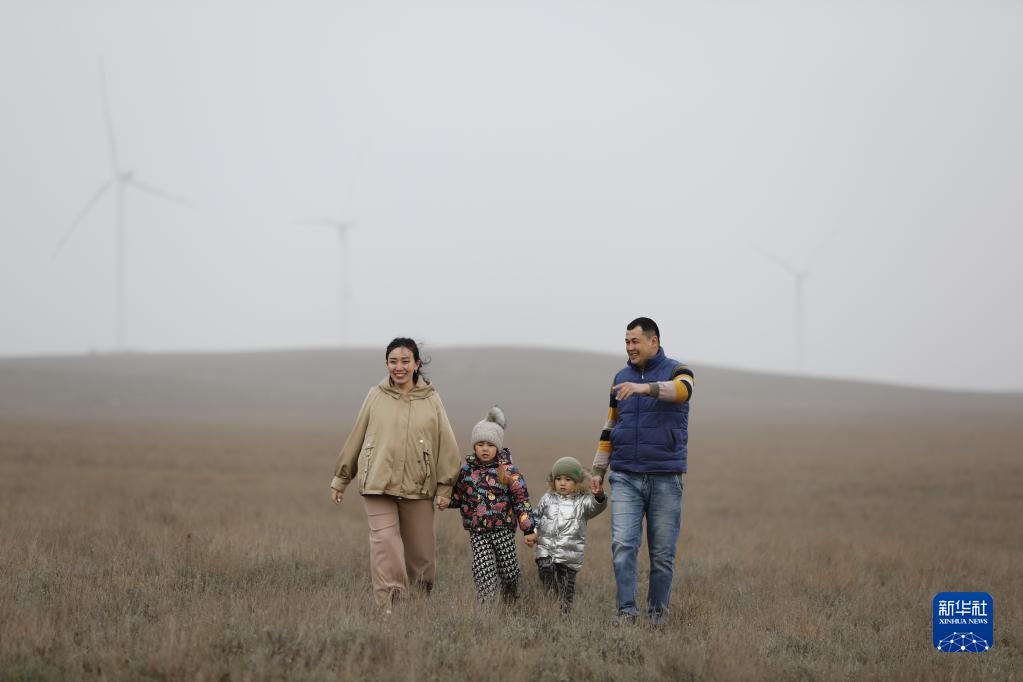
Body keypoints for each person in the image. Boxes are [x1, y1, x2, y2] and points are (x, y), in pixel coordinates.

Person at [330, 338, 461, 610]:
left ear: (416, 364)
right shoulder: (375, 395)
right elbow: (357, 435)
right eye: (393, 361)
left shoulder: (432, 399)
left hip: (418, 485)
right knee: (384, 543)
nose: (398, 367)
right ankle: (390, 606)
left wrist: (445, 487)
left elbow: (446, 443)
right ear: (386, 364)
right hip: (378, 482)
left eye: (404, 361)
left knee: (421, 557)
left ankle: (418, 607)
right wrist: (341, 478)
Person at [590, 317, 694, 626]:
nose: (629, 347)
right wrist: (598, 468)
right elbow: (610, 425)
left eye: (635, 341)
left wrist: (643, 388)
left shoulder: (678, 371)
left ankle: (657, 618)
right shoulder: (620, 378)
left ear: (654, 341)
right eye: (626, 342)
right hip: (625, 476)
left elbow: (683, 391)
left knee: (661, 555)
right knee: (623, 546)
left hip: (665, 477)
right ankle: (627, 614)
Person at [439, 407, 536, 604]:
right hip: (478, 532)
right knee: (484, 572)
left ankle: (511, 600)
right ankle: (486, 610)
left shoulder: (509, 471)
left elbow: (521, 501)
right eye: (480, 444)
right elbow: (460, 497)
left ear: (498, 447)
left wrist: (528, 530)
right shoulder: (466, 471)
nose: (485, 448)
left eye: (490, 444)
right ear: (474, 446)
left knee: (509, 572)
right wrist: (448, 501)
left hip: (503, 530)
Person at [532, 456, 607, 614]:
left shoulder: (583, 502)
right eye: (558, 479)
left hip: (569, 555)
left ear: (577, 482)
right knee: (545, 570)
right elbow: (536, 517)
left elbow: (596, 506)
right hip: (546, 549)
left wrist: (599, 496)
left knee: (566, 589)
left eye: (568, 479)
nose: (562, 483)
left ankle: (564, 612)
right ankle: (551, 601)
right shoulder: (547, 498)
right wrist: (532, 532)